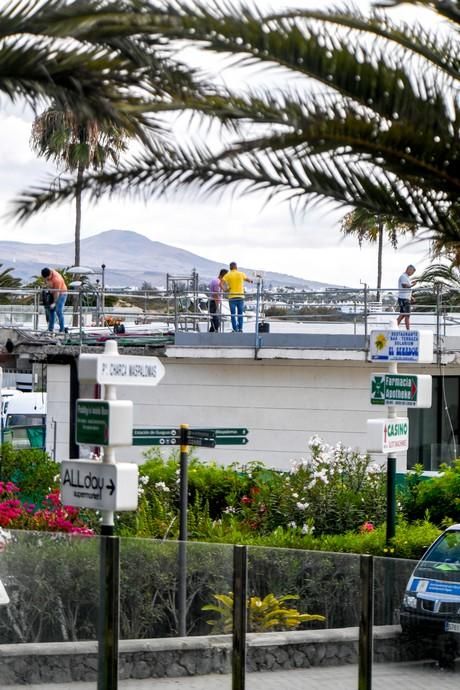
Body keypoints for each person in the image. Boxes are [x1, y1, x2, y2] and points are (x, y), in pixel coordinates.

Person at [222, 261, 253, 332]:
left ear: (230, 268)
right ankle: (240, 328)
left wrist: (225, 290)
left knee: (233, 314)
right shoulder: (241, 274)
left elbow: (221, 283)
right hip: (240, 297)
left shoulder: (228, 275)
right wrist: (252, 281)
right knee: (240, 314)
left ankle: (235, 329)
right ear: (236, 267)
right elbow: (248, 280)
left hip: (232, 297)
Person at [41, 267, 68, 333]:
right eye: (45, 278)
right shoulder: (47, 272)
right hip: (53, 292)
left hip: (61, 293)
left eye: (47, 278)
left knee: (58, 311)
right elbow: (48, 285)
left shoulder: (57, 279)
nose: (46, 279)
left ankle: (62, 330)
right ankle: (50, 329)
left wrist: (55, 303)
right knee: (51, 310)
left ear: (50, 274)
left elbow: (57, 293)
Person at [396, 264, 416, 330]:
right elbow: (404, 286)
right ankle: (408, 331)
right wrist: (412, 285)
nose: (412, 274)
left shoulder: (406, 277)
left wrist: (411, 297)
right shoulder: (403, 276)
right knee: (406, 315)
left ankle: (394, 327)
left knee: (403, 315)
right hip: (403, 299)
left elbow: (406, 288)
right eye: (412, 272)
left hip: (405, 298)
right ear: (409, 269)